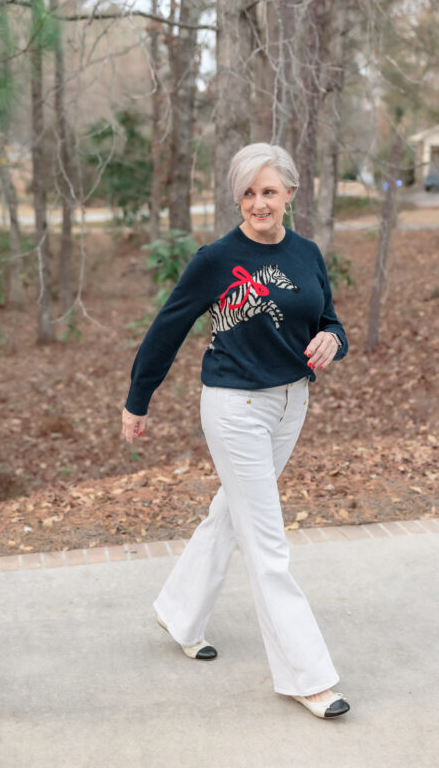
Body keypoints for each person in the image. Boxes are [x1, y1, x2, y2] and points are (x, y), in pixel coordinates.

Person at [121, 143, 350, 719]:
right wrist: (137, 399)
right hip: (234, 407)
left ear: (290, 195)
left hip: (290, 404)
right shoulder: (216, 259)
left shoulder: (308, 254)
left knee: (231, 514)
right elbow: (167, 328)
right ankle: (308, 677)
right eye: (248, 193)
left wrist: (334, 341)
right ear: (237, 197)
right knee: (268, 544)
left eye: (269, 191)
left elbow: (328, 321)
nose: (258, 203)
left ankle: (178, 609)